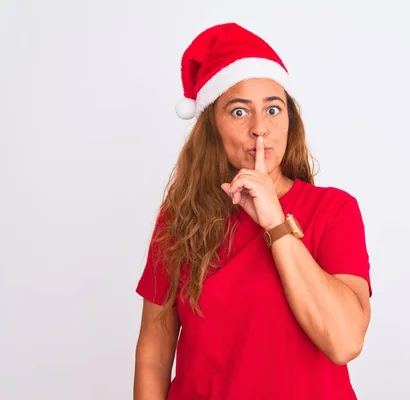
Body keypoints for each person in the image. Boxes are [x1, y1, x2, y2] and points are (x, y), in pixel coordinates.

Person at [133, 22, 372, 400]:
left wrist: (276, 223)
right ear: (212, 126)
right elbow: (154, 353)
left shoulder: (334, 209)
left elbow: (344, 341)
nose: (260, 128)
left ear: (290, 122)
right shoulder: (179, 220)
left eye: (273, 109)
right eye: (239, 112)